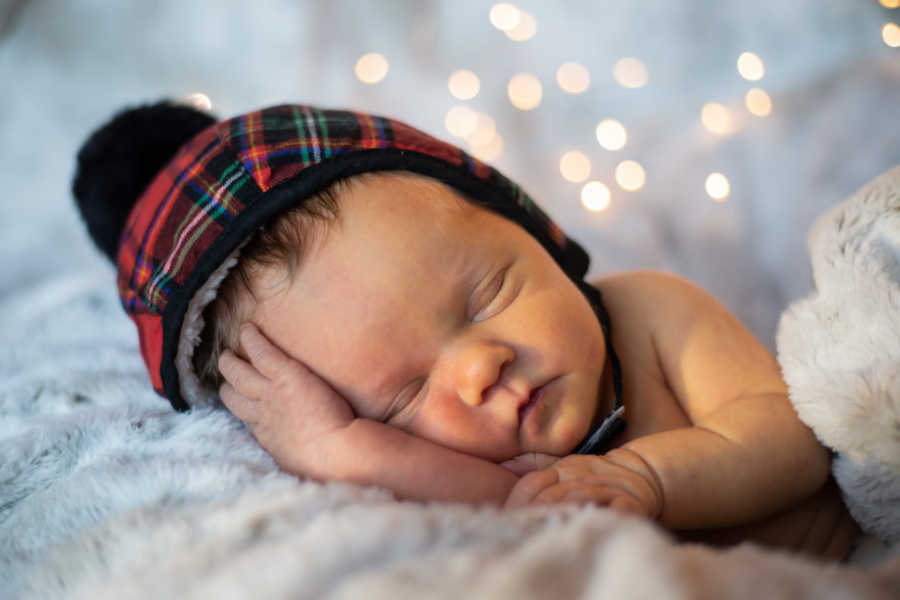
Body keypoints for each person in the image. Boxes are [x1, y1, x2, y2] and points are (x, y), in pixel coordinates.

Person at [73, 101, 859, 560]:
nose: (479, 369)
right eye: (402, 397)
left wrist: (648, 480)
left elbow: (787, 439)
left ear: (534, 233)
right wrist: (334, 449)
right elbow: (520, 503)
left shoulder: (650, 312)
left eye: (488, 295)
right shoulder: (490, 476)